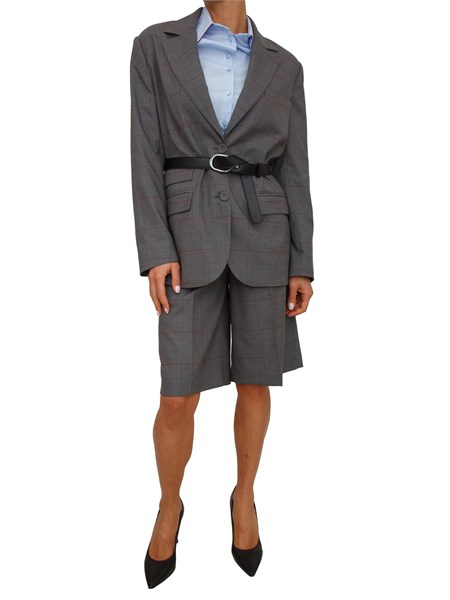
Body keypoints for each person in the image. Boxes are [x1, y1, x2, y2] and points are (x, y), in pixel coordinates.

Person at [130, 0, 314, 588]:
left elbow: (295, 169)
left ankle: (245, 496)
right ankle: (169, 504)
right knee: (177, 395)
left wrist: (302, 260)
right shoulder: (156, 45)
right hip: (186, 239)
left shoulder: (285, 65)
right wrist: (155, 246)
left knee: (256, 380)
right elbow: (143, 150)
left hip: (267, 234)